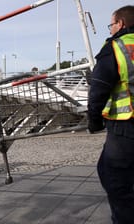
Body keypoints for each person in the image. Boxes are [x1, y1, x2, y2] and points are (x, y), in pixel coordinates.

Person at [87, 5, 134, 224]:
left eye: (111, 24)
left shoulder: (116, 47)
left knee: (115, 181)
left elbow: (98, 88)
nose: (110, 29)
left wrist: (94, 121)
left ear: (121, 24)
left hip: (125, 127)